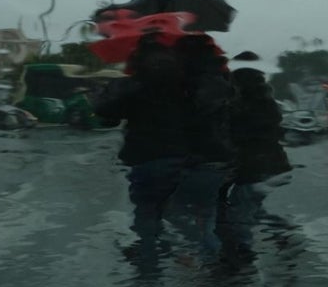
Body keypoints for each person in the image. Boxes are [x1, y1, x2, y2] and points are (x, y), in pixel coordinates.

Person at [93, 33, 234, 271]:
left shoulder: (136, 84)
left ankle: (149, 274)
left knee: (148, 215)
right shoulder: (192, 82)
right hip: (196, 159)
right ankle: (209, 274)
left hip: (148, 159)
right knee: (200, 219)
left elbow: (106, 113)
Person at [217, 66, 293, 261]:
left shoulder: (247, 106)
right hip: (271, 164)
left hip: (256, 165)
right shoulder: (268, 105)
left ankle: (244, 248)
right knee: (250, 205)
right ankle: (280, 228)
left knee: (241, 207)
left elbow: (242, 135)